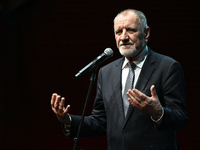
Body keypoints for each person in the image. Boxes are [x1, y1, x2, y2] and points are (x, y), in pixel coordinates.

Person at [51, 9, 189, 150]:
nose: (123, 37)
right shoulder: (106, 72)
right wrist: (67, 120)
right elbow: (100, 122)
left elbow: (181, 118)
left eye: (130, 30)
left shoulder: (167, 67)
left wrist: (158, 113)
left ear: (146, 33)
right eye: (118, 32)